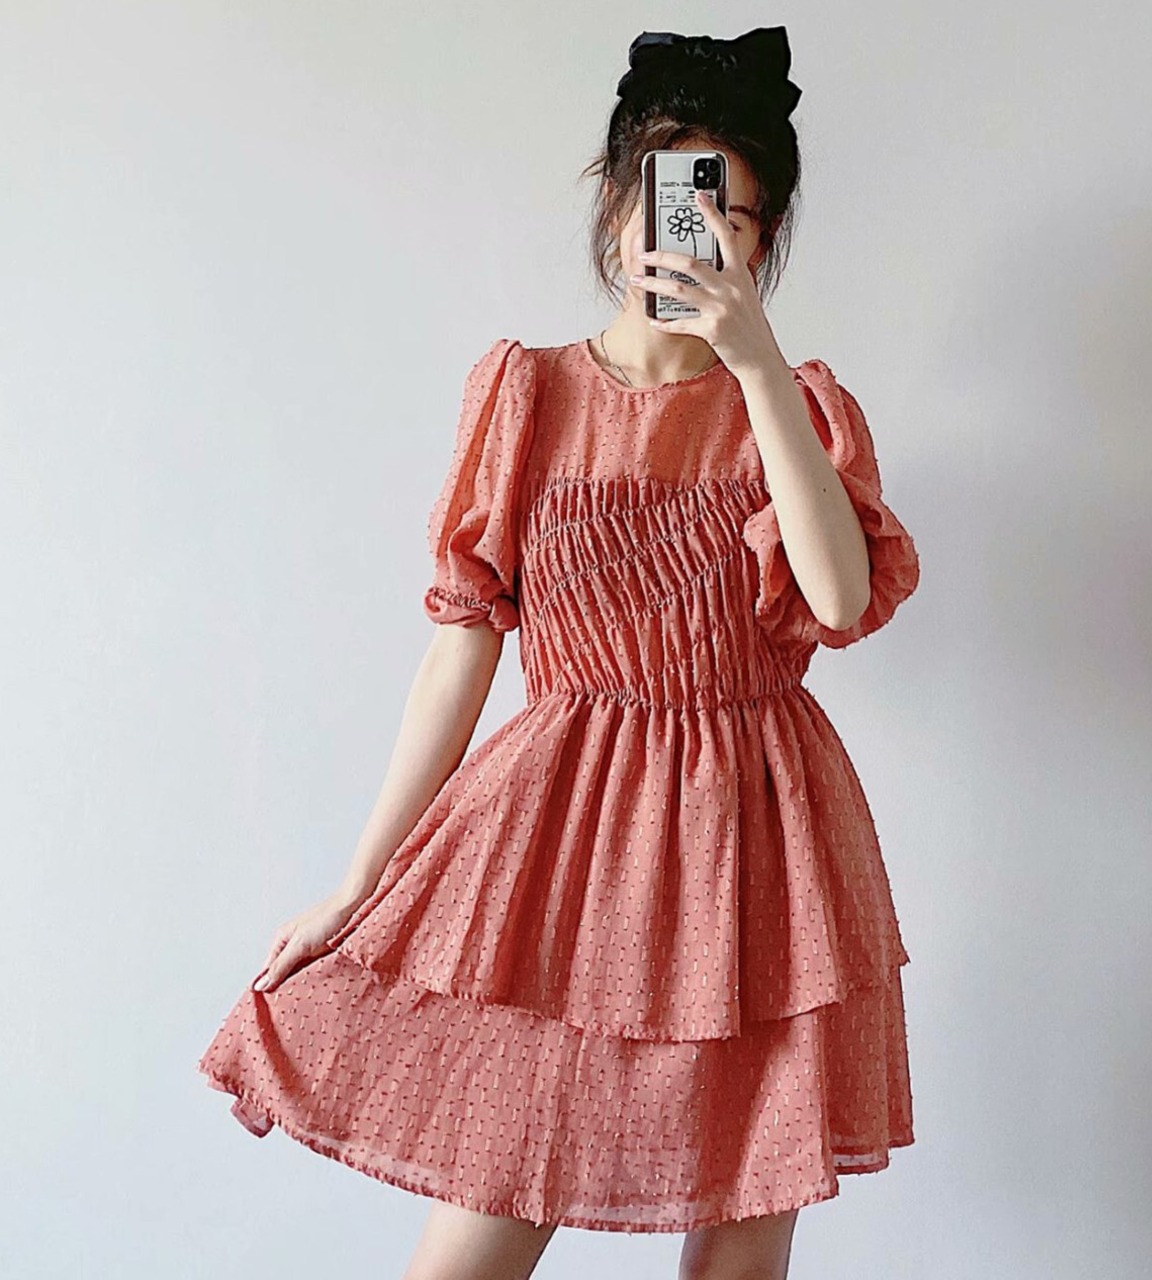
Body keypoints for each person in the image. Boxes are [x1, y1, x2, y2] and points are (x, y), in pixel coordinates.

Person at [196, 25, 921, 1280]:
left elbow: (839, 596)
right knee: (476, 1237)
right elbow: (458, 652)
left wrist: (753, 364)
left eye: (733, 215)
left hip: (761, 851)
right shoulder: (527, 392)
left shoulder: (795, 407)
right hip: (561, 852)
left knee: (738, 1248)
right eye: (673, 199)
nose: (696, 236)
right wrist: (359, 881)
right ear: (614, 200)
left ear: (763, 240)